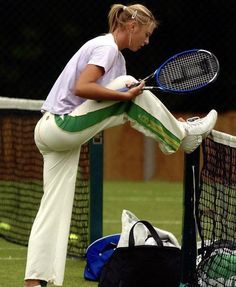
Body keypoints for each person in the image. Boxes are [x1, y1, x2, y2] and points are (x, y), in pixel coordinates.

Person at [24, 3, 217, 287]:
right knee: (127, 86)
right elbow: (83, 87)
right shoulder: (107, 47)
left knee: (53, 207)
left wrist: (131, 100)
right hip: (60, 127)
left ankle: (34, 280)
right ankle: (182, 135)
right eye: (146, 34)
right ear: (132, 26)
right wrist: (127, 97)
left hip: (51, 135)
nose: (147, 41)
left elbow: (112, 102)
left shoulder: (116, 58)